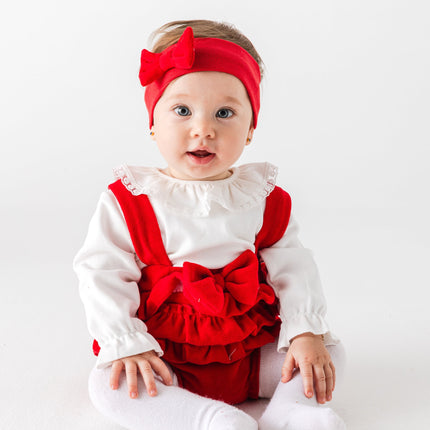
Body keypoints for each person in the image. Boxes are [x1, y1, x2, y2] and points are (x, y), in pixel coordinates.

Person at [74, 19, 346, 430]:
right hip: (167, 357)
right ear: (152, 121)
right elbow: (101, 272)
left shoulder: (264, 199)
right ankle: (206, 418)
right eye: (182, 111)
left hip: (249, 351)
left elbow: (294, 266)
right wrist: (126, 343)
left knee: (330, 352)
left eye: (225, 113)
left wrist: (304, 332)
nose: (204, 129)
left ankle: (293, 410)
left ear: (251, 129)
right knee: (108, 384)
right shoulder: (129, 201)